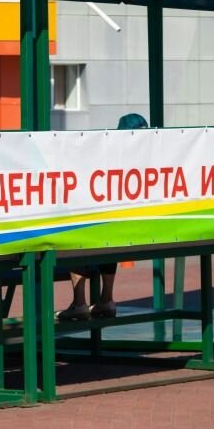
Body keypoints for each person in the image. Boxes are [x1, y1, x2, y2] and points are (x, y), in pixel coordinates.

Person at [57, 113, 149, 321]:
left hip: (112, 232)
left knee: (76, 237)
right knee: (110, 237)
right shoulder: (151, 158)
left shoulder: (110, 157)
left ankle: (79, 303)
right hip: (140, 233)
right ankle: (106, 298)